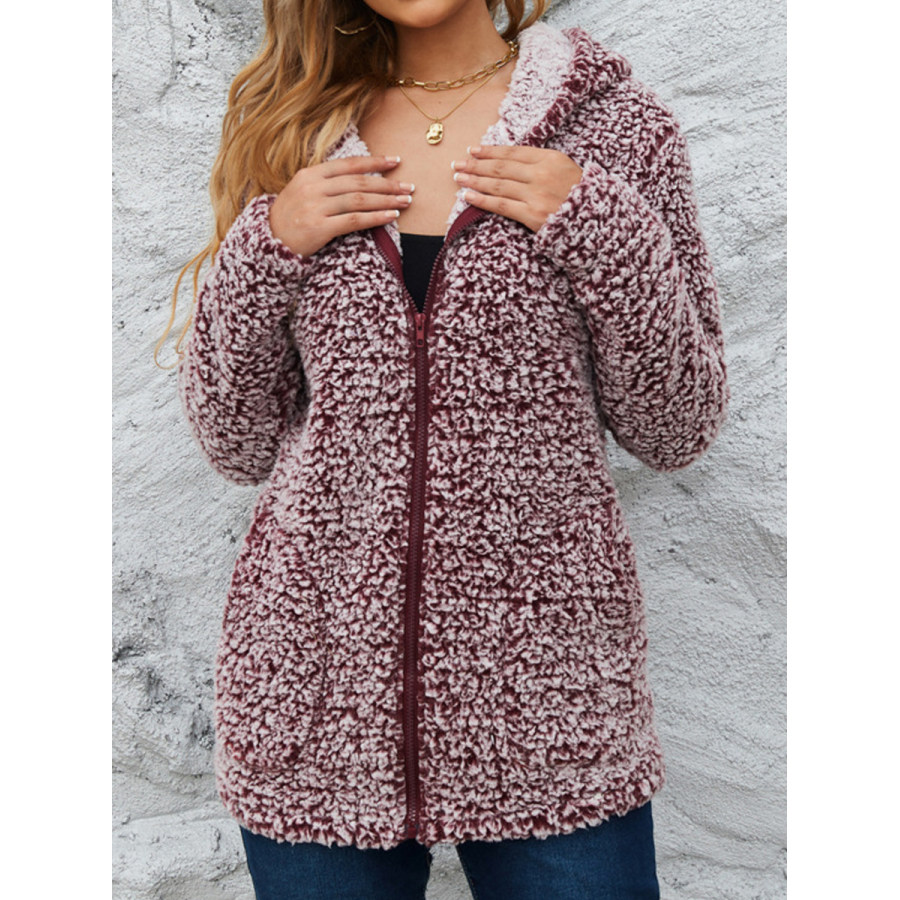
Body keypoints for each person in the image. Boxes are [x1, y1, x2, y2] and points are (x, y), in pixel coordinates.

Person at [162, 0, 729, 896]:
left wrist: (600, 226)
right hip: (317, 699)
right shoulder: (296, 129)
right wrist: (267, 247)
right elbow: (235, 441)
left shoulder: (619, 130)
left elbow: (677, 427)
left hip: (550, 704)